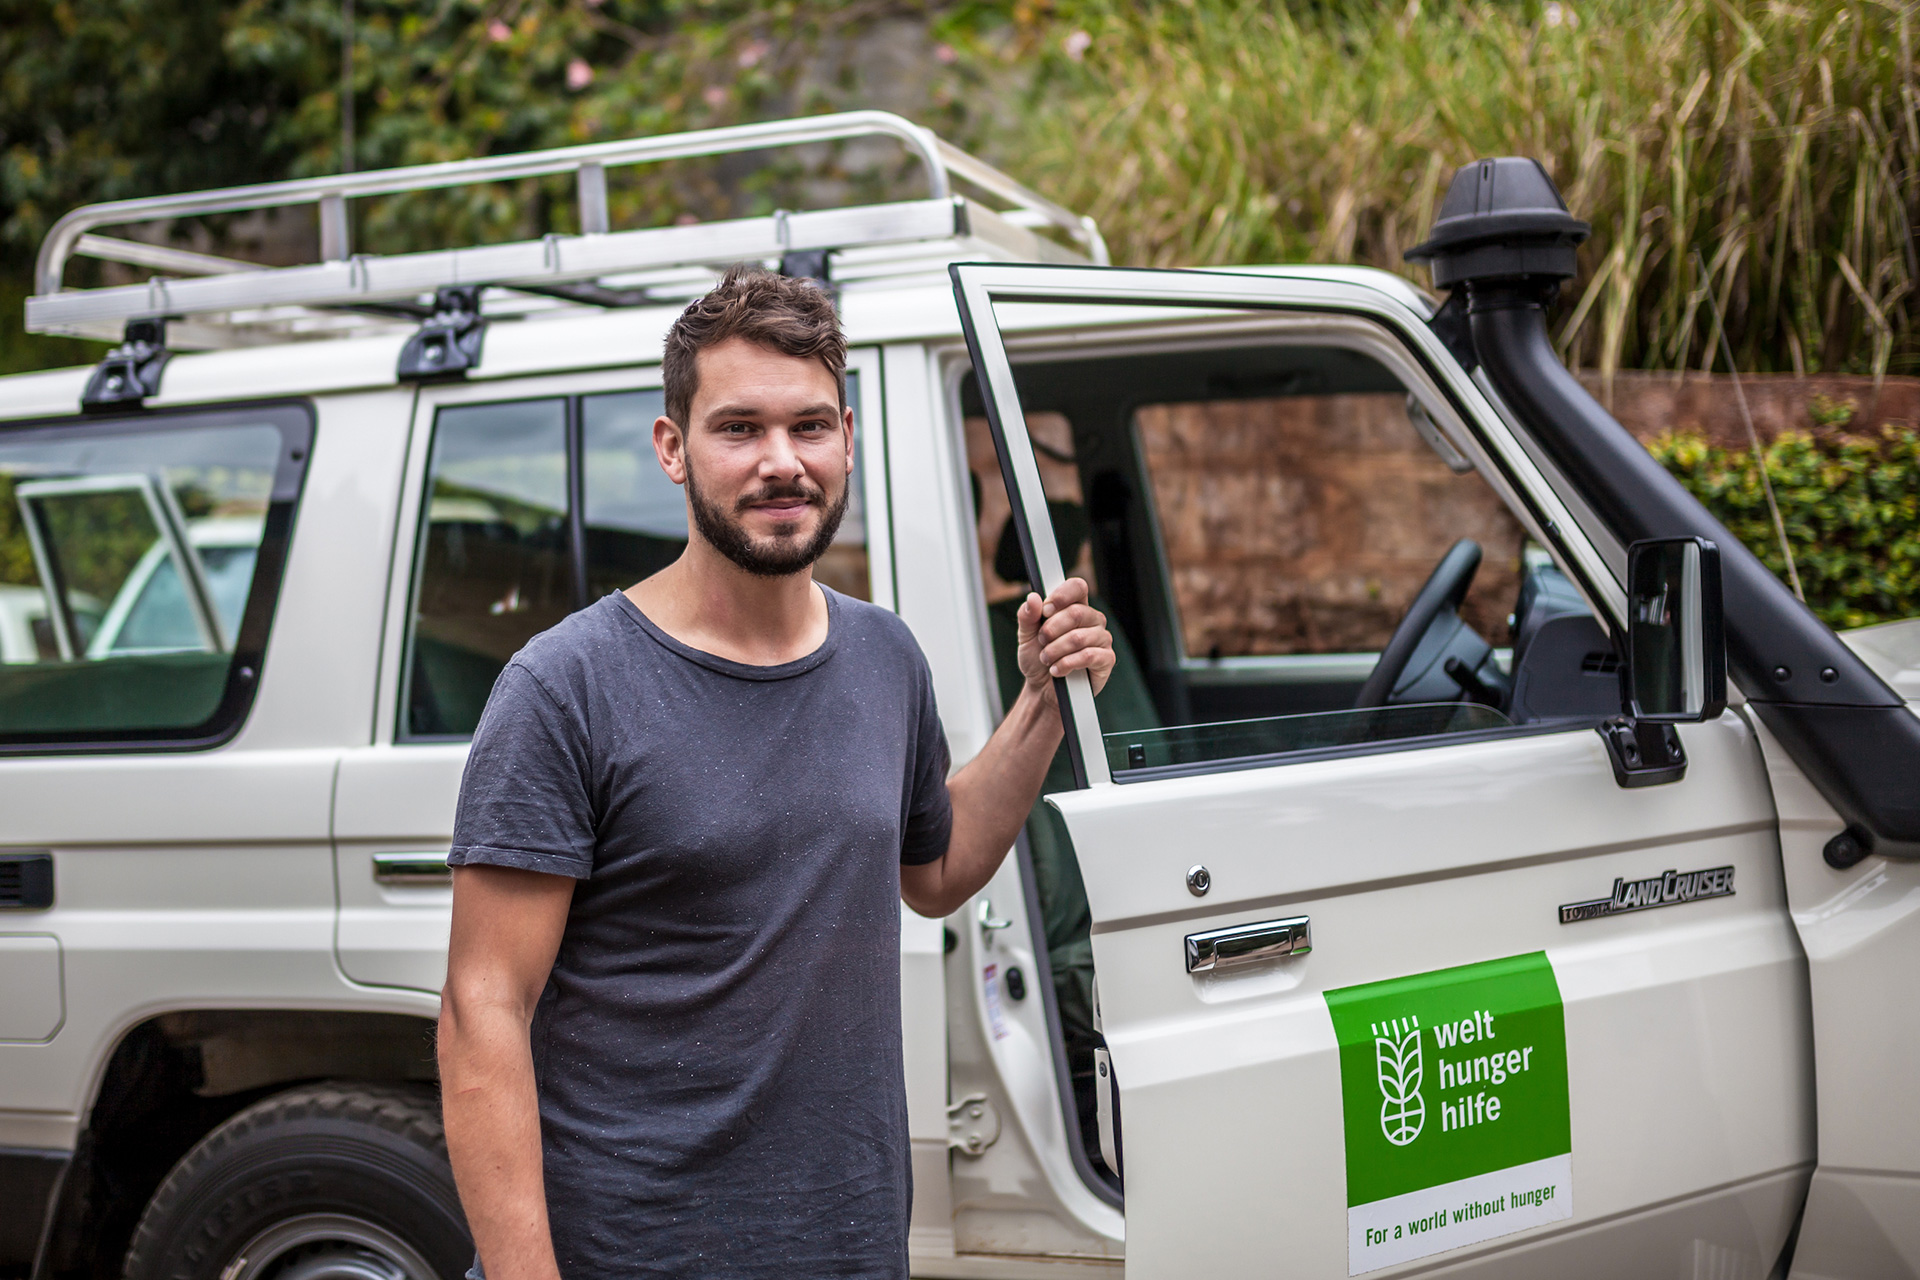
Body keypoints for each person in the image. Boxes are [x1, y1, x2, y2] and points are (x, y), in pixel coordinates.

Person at [436, 264, 1116, 1280]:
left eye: (807, 427)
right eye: (739, 428)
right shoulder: (566, 686)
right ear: (673, 447)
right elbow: (481, 1005)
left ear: (847, 434)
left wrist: (1043, 705)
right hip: (631, 1253)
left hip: (846, 1242)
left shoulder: (885, 656)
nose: (780, 462)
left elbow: (932, 868)